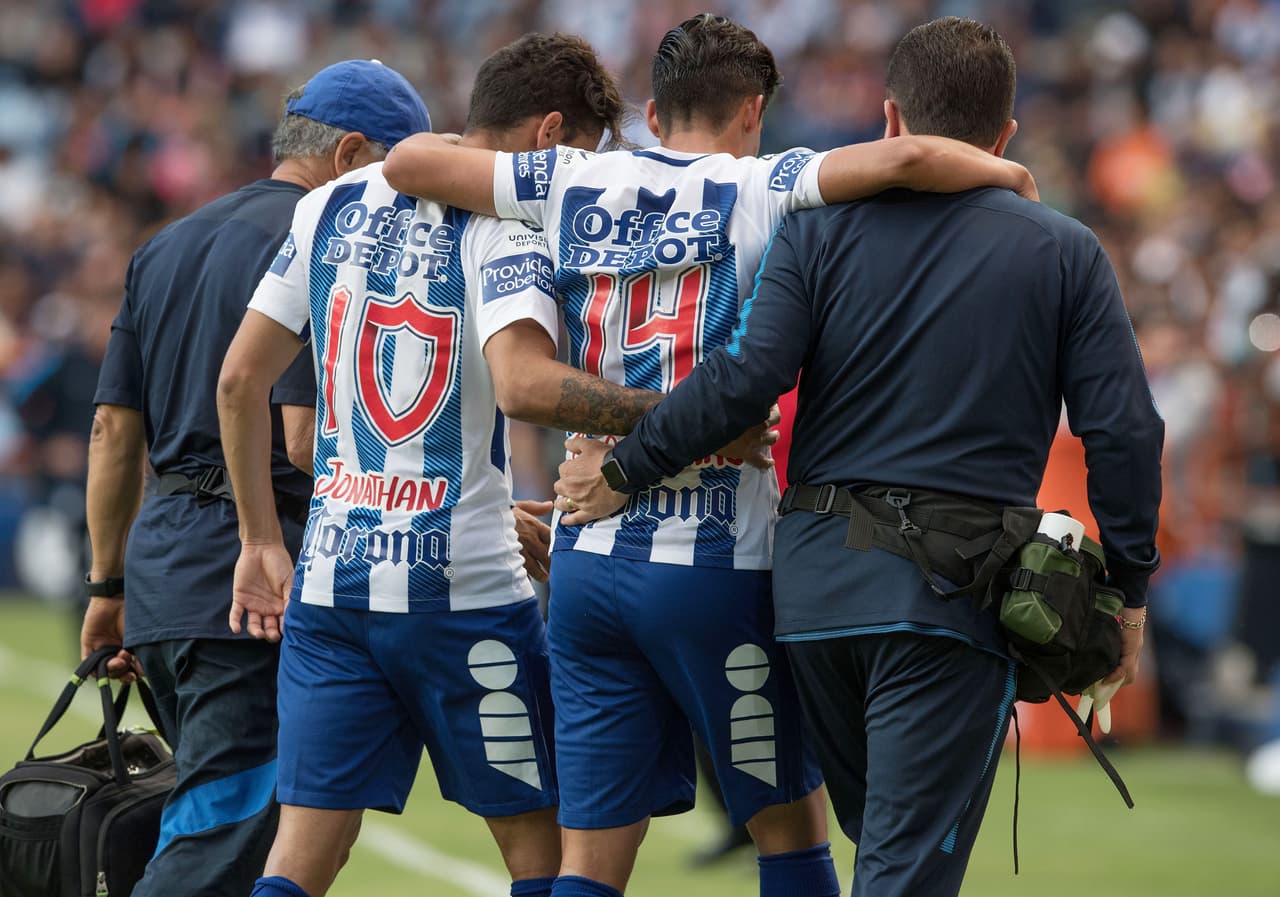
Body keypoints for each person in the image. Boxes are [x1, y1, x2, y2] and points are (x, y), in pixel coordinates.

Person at [382, 13, 1037, 897]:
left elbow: (409, 161)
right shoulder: (762, 182)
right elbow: (914, 159)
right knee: (788, 827)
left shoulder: (571, 177)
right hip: (717, 556)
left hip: (586, 556)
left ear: (653, 112)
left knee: (592, 856)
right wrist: (1008, 172)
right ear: (753, 111)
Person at [553, 17, 1162, 897]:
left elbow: (745, 378)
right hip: (948, 600)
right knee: (903, 874)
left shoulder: (819, 227)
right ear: (1004, 138)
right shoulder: (1061, 248)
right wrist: (1130, 591)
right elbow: (1125, 430)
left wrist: (622, 472)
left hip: (814, 599)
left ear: (889, 119)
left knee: (878, 848)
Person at [218, 34, 746, 897]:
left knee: (301, 856)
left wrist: (256, 540)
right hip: (460, 592)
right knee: (542, 850)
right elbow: (524, 387)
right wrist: (690, 417)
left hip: (330, 583)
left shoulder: (329, 204)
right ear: (548, 137)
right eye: (581, 158)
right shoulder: (506, 223)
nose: (584, 185)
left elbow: (240, 378)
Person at [77, 60, 430, 897]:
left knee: (272, 841)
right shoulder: (335, 236)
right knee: (225, 839)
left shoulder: (166, 244)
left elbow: (111, 430)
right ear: (350, 153)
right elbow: (305, 438)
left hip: (166, 576)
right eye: (400, 163)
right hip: (260, 582)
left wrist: (108, 583)